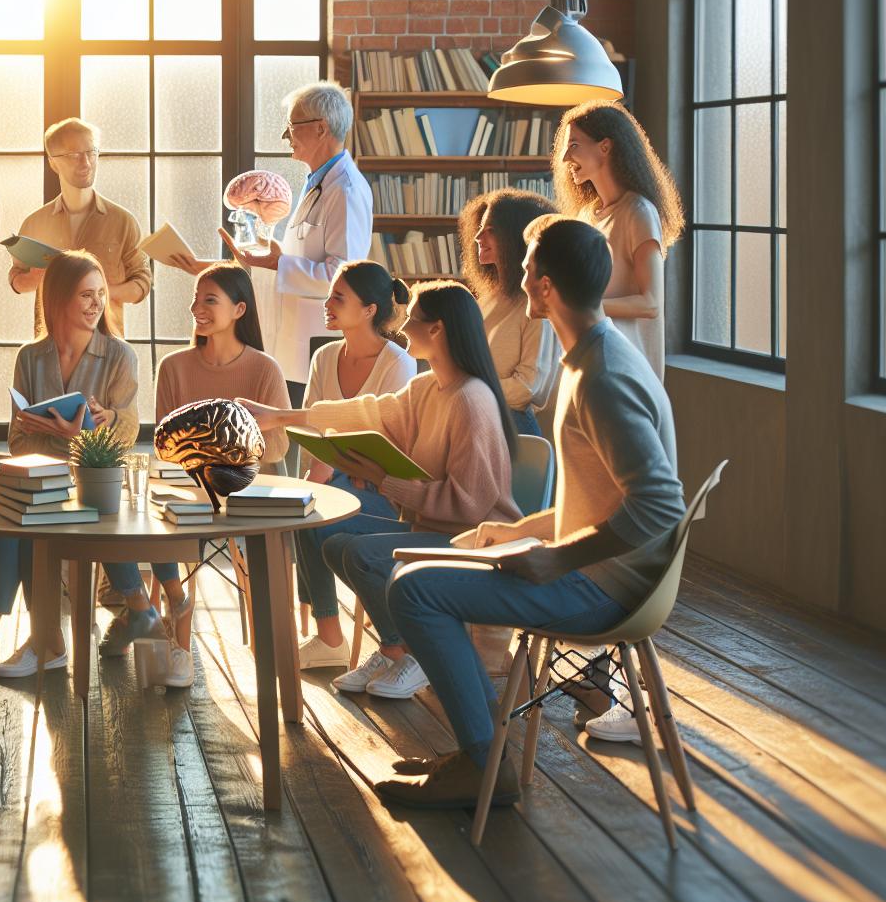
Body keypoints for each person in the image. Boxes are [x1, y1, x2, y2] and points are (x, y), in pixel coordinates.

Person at [370, 217, 684, 810]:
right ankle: (476, 752)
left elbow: (661, 504)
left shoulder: (602, 377)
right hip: (604, 572)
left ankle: (484, 764)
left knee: (413, 592)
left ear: (543, 288)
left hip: (609, 587)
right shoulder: (594, 355)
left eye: (525, 268)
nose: (515, 275)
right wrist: (517, 531)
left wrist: (557, 558)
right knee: (411, 576)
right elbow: (601, 498)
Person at [241, 281, 522, 685]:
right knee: (336, 543)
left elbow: (471, 505)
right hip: (431, 528)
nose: (404, 327)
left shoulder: (470, 398)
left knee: (360, 553)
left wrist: (383, 480)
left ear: (438, 329)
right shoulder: (428, 387)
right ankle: (397, 648)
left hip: (470, 538)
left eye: (415, 319)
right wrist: (279, 417)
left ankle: (417, 653)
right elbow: (367, 412)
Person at [0, 249, 142, 689]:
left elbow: (128, 431)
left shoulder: (118, 354)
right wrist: (56, 433)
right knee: (12, 512)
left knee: (26, 516)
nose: (96, 303)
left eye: (100, 294)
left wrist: (84, 430)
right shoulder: (30, 357)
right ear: (58, 298)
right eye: (85, 294)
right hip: (41, 482)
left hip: (94, 484)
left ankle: (46, 641)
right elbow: (19, 440)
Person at [131, 263, 291, 686]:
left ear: (240, 309)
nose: (197, 308)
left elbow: (276, 448)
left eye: (210, 300)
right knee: (155, 519)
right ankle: (180, 646)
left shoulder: (264, 370)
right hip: (187, 491)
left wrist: (210, 451)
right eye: (195, 298)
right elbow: (166, 447)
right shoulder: (174, 367)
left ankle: (268, 655)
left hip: (245, 494)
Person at [287, 260, 415, 651]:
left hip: (384, 491)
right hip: (334, 477)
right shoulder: (324, 357)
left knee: (316, 518)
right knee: (299, 513)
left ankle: (367, 642)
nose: (327, 302)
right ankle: (329, 636)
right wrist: (322, 467)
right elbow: (311, 426)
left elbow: (393, 438)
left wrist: (333, 465)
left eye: (338, 297)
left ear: (369, 310)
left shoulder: (399, 363)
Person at [222, 81, 374, 404]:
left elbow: (342, 277)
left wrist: (279, 263)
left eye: (292, 126)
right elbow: (304, 255)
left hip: (318, 344)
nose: (285, 135)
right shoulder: (317, 182)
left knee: (307, 442)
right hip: (295, 344)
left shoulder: (345, 191)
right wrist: (272, 253)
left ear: (321, 129)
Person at [554, 100, 685, 379]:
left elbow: (650, 304)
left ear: (605, 146)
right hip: (593, 362)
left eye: (574, 144)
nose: (565, 157)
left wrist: (577, 307)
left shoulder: (639, 212)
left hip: (628, 372)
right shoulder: (587, 216)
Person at [10, 117, 151, 338]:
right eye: (74, 155)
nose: (86, 163)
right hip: (51, 345)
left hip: (107, 347)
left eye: (91, 152)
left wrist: (98, 292)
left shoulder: (123, 221)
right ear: (53, 162)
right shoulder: (34, 223)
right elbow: (17, 279)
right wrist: (37, 278)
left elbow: (143, 283)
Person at [459, 188, 560, 435]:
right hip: (478, 415)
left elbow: (528, 388)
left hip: (512, 428)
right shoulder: (490, 297)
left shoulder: (538, 307)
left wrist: (468, 387)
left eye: (491, 231)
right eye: (480, 228)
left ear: (516, 237)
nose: (478, 237)